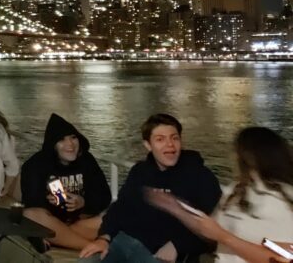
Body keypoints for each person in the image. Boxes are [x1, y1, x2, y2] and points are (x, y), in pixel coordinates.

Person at [79, 113, 221, 263]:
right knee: (87, 261)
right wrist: (104, 238)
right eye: (160, 139)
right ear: (148, 145)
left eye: (175, 138)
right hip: (124, 241)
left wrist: (178, 245)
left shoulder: (200, 175)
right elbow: (120, 208)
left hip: (162, 253)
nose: (170, 145)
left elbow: (212, 226)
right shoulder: (140, 171)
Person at [146, 127, 293, 263]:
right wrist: (176, 209)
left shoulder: (283, 198)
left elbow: (284, 257)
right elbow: (212, 230)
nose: (233, 157)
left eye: (237, 152)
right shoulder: (237, 189)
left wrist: (224, 237)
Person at [22, 113, 112, 251]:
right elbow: (31, 201)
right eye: (62, 140)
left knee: (113, 216)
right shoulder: (35, 164)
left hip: (79, 223)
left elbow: (104, 196)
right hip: (51, 221)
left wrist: (82, 202)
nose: (70, 144)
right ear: (53, 144)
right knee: (30, 215)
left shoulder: (86, 160)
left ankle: (60, 239)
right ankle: (91, 246)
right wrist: (48, 201)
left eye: (73, 137)